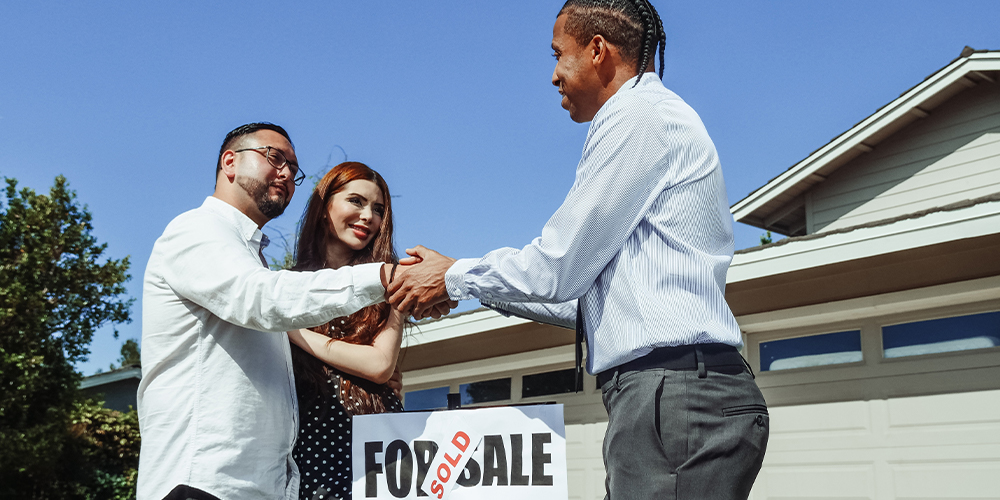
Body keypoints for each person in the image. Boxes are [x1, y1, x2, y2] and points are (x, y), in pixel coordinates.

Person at [386, 1, 768, 499]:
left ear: (597, 50)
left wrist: (454, 275)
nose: (553, 76)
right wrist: (463, 286)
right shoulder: (647, 118)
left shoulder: (637, 116)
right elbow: (582, 301)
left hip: (673, 396)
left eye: (557, 54)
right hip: (673, 397)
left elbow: (558, 267)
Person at [138, 123, 401, 500]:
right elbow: (261, 299)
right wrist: (385, 276)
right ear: (230, 161)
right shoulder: (197, 230)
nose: (286, 174)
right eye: (274, 158)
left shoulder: (251, 258)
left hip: (262, 486)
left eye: (294, 170)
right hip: (202, 482)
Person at [285, 162, 406, 500]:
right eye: (356, 201)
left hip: (377, 452)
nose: (369, 215)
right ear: (325, 208)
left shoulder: (389, 285)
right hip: (309, 452)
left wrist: (292, 331)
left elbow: (380, 366)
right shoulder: (284, 286)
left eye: (378, 209)